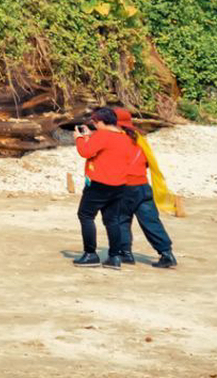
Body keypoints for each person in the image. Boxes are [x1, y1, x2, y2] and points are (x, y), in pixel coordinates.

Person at [71, 107, 142, 268]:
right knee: (112, 220)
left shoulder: (103, 135)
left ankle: (90, 254)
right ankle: (114, 256)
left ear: (101, 122)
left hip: (99, 183)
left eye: (95, 122)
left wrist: (79, 138)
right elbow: (105, 151)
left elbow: (85, 152)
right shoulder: (124, 137)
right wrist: (89, 137)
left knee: (85, 215)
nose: (95, 125)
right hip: (119, 184)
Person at [108, 106, 178, 268]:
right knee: (151, 221)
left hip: (124, 187)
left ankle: (125, 254)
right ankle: (166, 253)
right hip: (143, 186)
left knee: (121, 219)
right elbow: (146, 162)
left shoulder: (115, 139)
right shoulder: (139, 138)